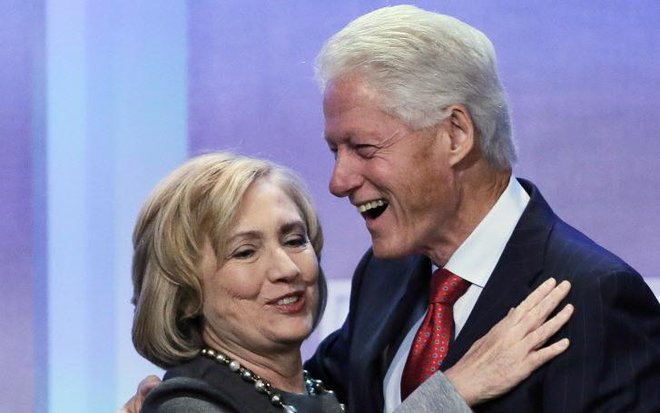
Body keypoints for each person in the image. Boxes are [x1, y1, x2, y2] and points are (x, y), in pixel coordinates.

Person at [302, 4, 660, 413]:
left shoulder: (592, 299)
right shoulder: (384, 274)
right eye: (335, 151)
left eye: (363, 148)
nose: (338, 181)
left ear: (455, 134)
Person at [126, 152, 574, 413]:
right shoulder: (189, 406)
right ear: (184, 295)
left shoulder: (320, 391)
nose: (287, 268)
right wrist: (451, 393)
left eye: (294, 239)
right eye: (245, 252)